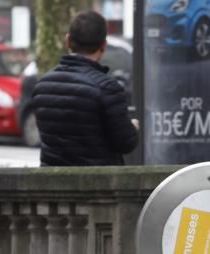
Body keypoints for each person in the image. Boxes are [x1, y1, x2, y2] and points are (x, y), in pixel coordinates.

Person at [31, 11, 139, 166]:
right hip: (98, 185)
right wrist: (133, 128)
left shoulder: (42, 86)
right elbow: (125, 143)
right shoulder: (107, 88)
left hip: (51, 184)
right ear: (103, 45)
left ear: (68, 41)